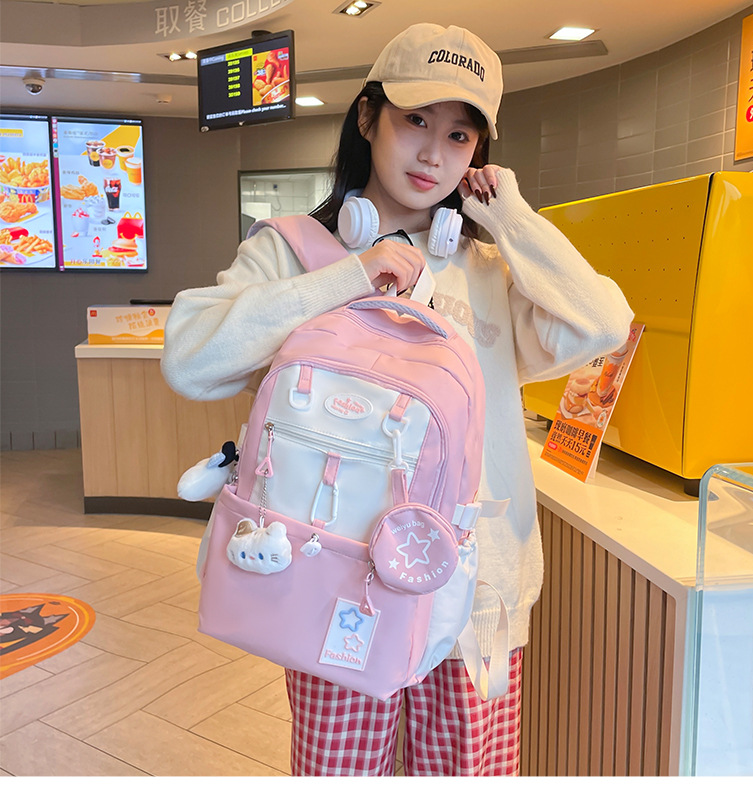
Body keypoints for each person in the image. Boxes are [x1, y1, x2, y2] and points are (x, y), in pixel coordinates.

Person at [162, 23, 634, 777]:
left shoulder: (491, 269)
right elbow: (190, 360)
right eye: (415, 120)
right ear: (367, 116)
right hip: (331, 581)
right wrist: (352, 276)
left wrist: (508, 218)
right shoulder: (294, 251)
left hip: (474, 589)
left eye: (459, 136)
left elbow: (605, 325)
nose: (433, 154)